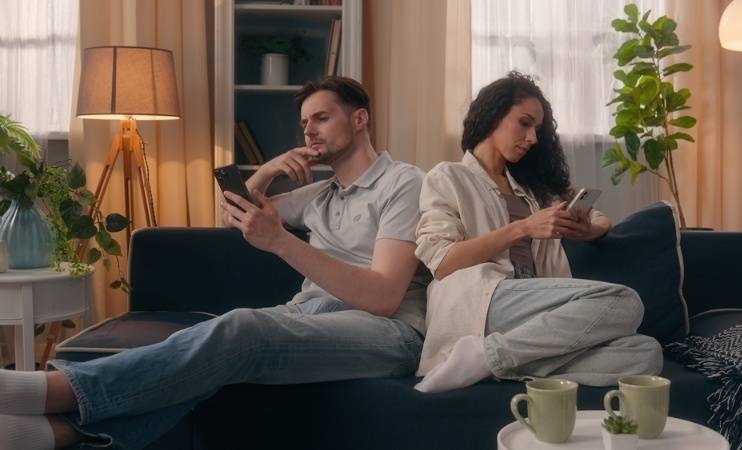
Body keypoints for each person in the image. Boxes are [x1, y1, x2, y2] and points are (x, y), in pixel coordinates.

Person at [0, 76, 429, 449]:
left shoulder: (404, 183)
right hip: (308, 315)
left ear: (359, 119)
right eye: (303, 123)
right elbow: (231, 218)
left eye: (321, 118)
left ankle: (54, 390)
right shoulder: (321, 194)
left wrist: (280, 241)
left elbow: (384, 296)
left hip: (385, 333)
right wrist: (267, 170)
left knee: (241, 328)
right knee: (206, 355)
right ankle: (55, 436)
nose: (308, 132)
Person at [413, 71, 662, 394]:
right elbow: (444, 261)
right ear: (492, 116)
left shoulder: (531, 189)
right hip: (485, 298)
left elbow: (602, 219)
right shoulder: (448, 177)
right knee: (624, 300)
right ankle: (492, 356)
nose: (532, 138)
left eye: (537, 130)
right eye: (524, 123)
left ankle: (490, 361)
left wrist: (587, 230)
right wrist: (524, 227)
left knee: (644, 353)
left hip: (532, 306)